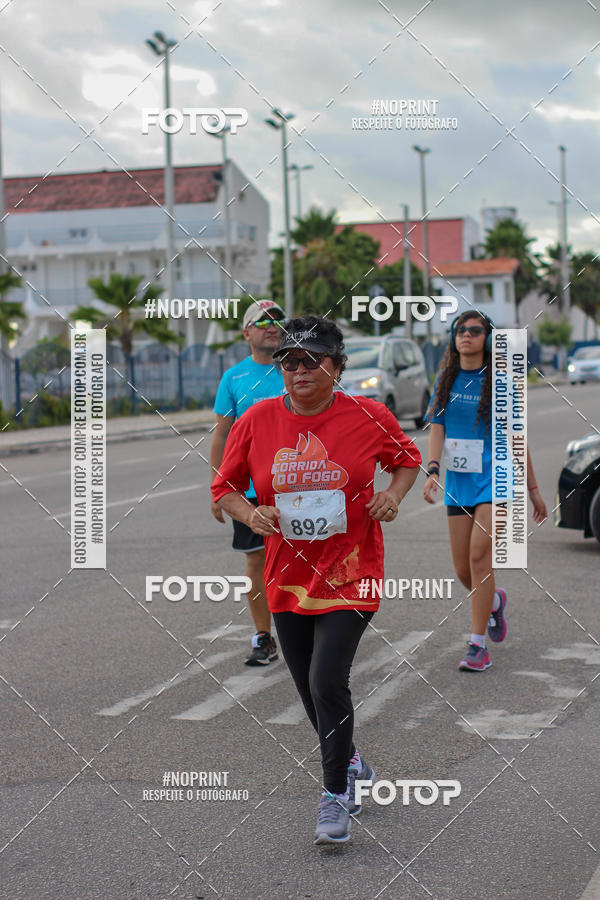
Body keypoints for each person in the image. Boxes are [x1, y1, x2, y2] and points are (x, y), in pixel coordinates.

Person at [211, 315, 421, 845]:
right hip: (287, 575)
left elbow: (406, 460)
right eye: (289, 361)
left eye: (312, 361)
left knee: (328, 679)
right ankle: (348, 759)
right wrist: (250, 514)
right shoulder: (257, 419)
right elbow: (224, 488)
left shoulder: (368, 414)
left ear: (337, 366)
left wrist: (392, 496)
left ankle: (334, 795)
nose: (299, 370)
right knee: (307, 685)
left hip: (353, 572)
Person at [423, 311, 547, 671]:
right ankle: (493, 603)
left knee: (480, 558)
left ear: (489, 339)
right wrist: (432, 470)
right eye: (461, 330)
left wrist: (534, 489)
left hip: (498, 478)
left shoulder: (502, 383)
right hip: (460, 483)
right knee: (463, 569)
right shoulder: (445, 381)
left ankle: (477, 646)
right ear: (453, 337)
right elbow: (437, 428)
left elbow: (517, 438)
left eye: (475, 331)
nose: (466, 336)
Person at [210, 300, 286, 666]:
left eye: (277, 320)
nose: (272, 326)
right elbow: (221, 436)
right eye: (262, 321)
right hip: (252, 494)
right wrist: (218, 488)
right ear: (247, 332)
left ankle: (312, 628)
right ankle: (263, 636)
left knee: (307, 562)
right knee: (256, 565)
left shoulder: (296, 368)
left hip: (299, 487)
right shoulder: (233, 378)